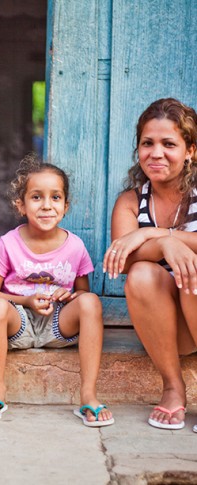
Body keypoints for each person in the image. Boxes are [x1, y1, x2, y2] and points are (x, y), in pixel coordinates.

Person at [0, 154, 114, 426]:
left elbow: (82, 294)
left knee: (92, 302)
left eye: (55, 197)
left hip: (58, 324)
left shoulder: (75, 246)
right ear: (21, 205)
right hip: (19, 325)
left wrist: (70, 295)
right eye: (36, 197)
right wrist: (25, 299)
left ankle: (88, 394)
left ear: (66, 205)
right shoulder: (9, 243)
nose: (47, 206)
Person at [103, 98, 197, 431]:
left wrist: (160, 235)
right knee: (142, 274)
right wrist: (165, 245)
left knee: (194, 271)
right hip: (170, 331)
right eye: (147, 143)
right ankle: (173, 386)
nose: (156, 153)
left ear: (190, 151)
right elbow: (122, 260)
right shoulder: (131, 200)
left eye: (169, 143)